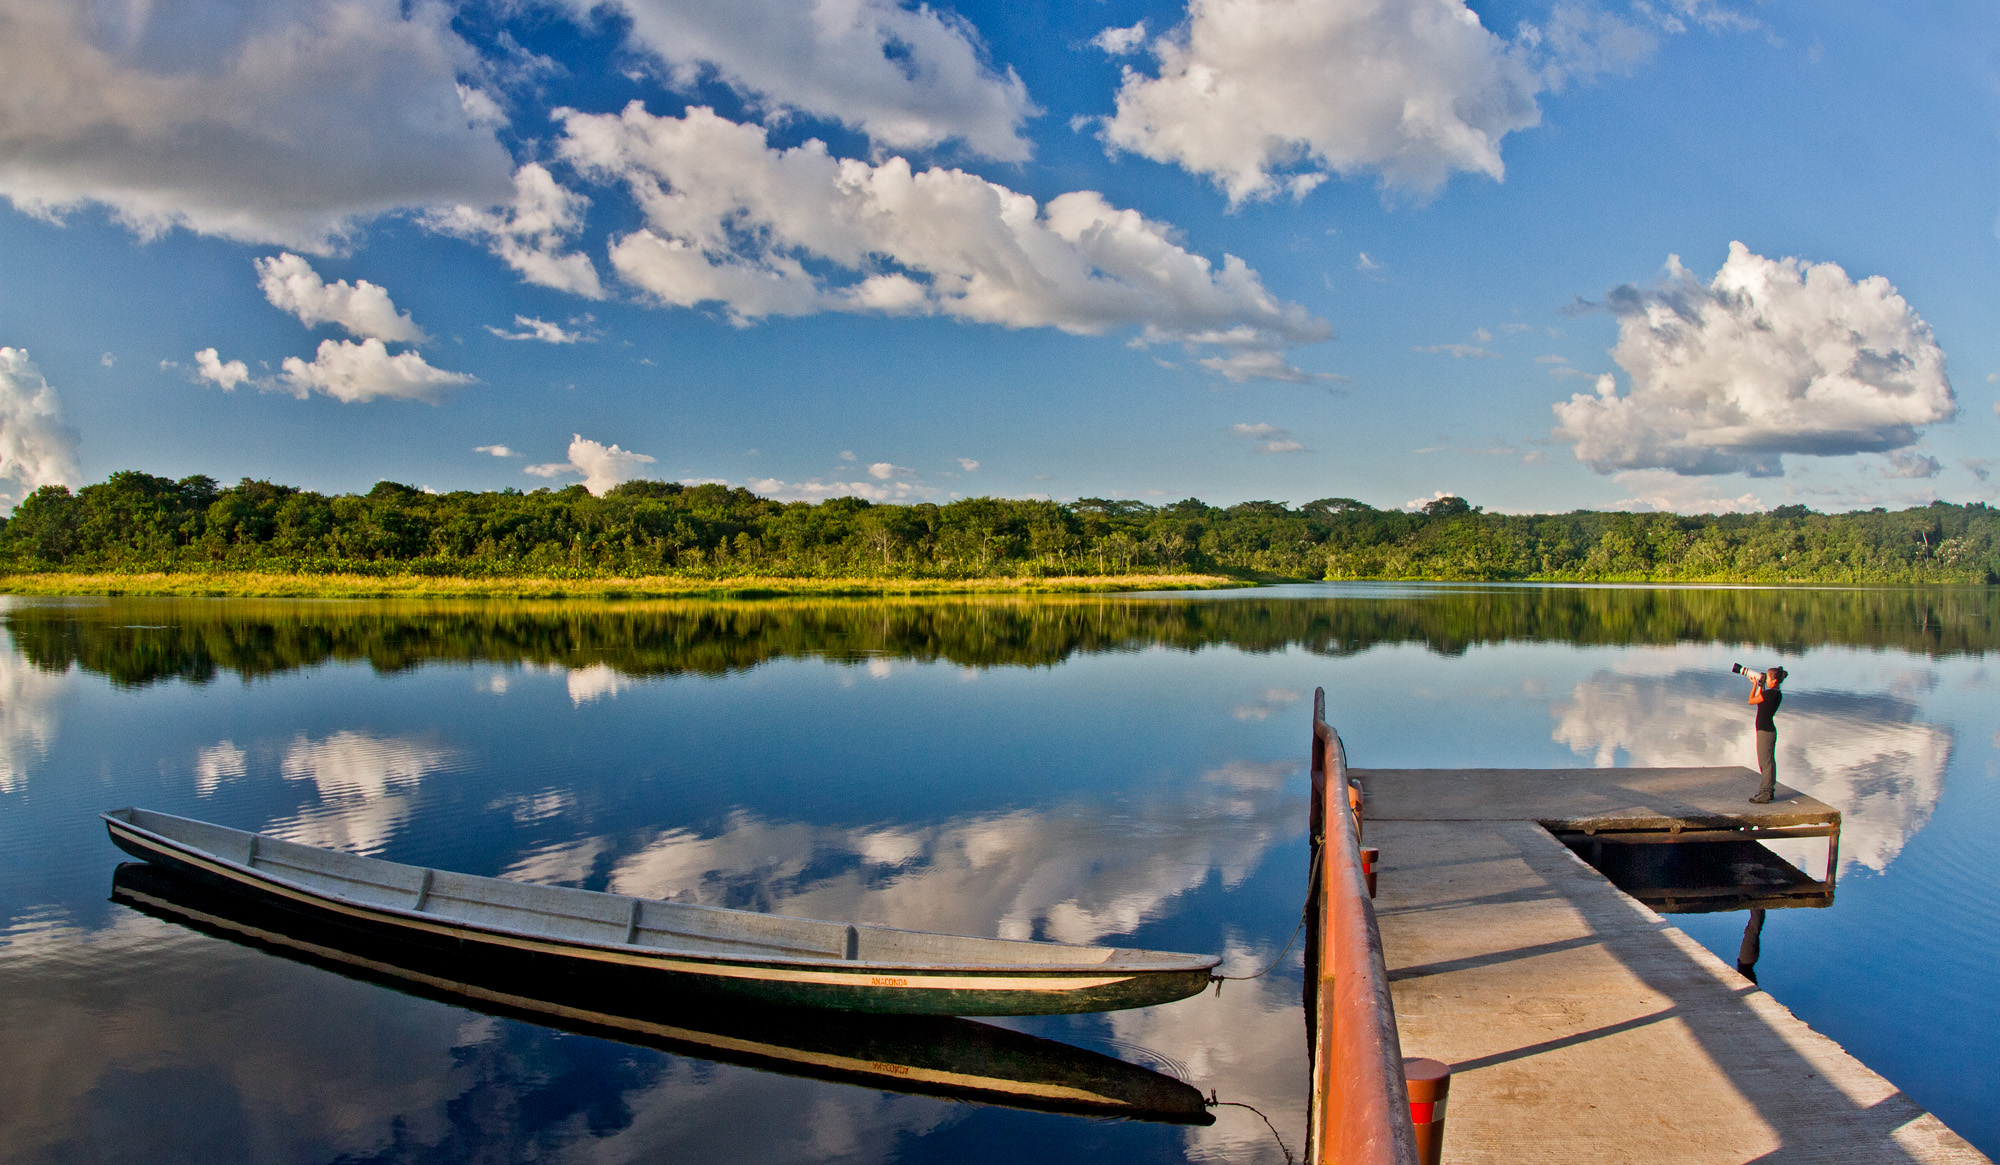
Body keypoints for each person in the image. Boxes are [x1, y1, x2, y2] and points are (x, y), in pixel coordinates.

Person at [1746, 665, 1787, 803]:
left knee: (1765, 762)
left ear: (1774, 681)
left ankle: (1765, 792)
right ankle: (1768, 791)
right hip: (1767, 730)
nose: (1767, 680)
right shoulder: (1774, 694)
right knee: (1768, 761)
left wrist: (1754, 686)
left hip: (1765, 732)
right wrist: (1760, 685)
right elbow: (1760, 701)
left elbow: (1751, 700)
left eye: (1768, 678)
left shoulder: (1770, 694)